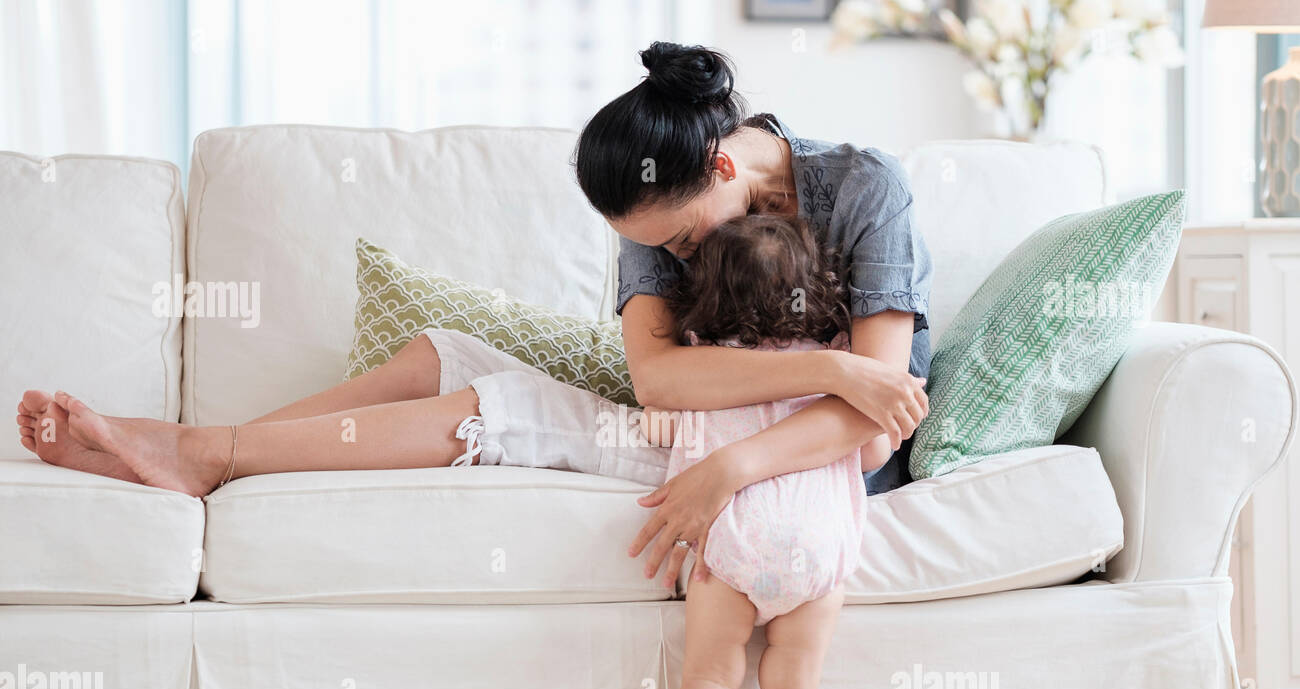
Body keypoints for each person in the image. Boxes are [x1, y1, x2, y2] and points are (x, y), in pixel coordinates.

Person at [15, 40, 930, 592]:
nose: (676, 258)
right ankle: (208, 448)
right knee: (440, 354)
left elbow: (873, 416)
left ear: (724, 169)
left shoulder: (861, 188)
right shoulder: (661, 206)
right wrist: (829, 362)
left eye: (683, 243)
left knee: (494, 410)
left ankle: (203, 456)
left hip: (789, 459)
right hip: (693, 413)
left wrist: (739, 460)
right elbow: (658, 375)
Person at [641, 214, 869, 689]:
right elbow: (874, 451)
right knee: (795, 688)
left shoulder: (699, 366)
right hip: (814, 542)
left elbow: (658, 423)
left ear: (705, 299)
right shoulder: (837, 366)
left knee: (708, 678)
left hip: (731, 542)